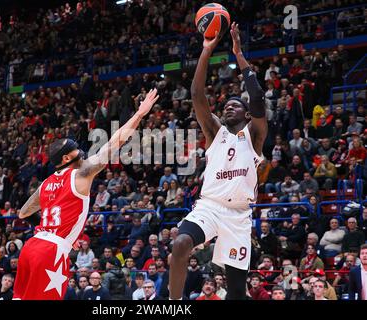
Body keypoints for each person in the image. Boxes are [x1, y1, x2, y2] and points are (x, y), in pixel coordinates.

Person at [13, 89, 159, 299]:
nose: (80, 151)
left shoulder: (45, 184)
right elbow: (114, 143)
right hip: (50, 251)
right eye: (74, 150)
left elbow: (23, 213)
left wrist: (55, 209)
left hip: (31, 246)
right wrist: (139, 115)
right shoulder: (80, 174)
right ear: (65, 159)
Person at [169, 23, 267, 300]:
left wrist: (238, 54)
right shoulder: (215, 133)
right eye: (227, 104)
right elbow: (197, 94)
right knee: (181, 243)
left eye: (236, 105)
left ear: (247, 116)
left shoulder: (255, 137)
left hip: (239, 216)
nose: (228, 106)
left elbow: (257, 97)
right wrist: (206, 51)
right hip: (210, 206)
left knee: (237, 292)